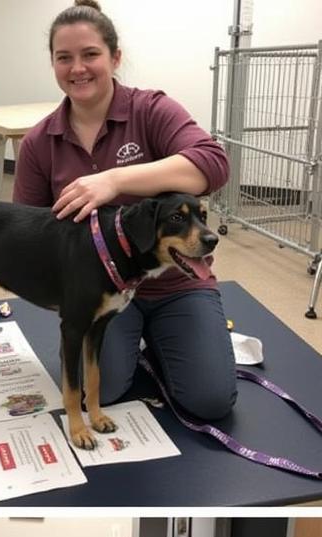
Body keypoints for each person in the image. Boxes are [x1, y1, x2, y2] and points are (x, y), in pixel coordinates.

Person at [13, 0, 235, 422]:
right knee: (107, 391)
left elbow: (213, 163)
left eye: (90, 54)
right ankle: (136, 344)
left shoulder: (151, 110)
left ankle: (163, 339)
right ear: (54, 64)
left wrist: (114, 180)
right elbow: (26, 231)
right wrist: (63, 295)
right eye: (64, 58)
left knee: (209, 401)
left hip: (175, 285)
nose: (78, 68)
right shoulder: (40, 142)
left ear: (115, 57)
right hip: (98, 295)